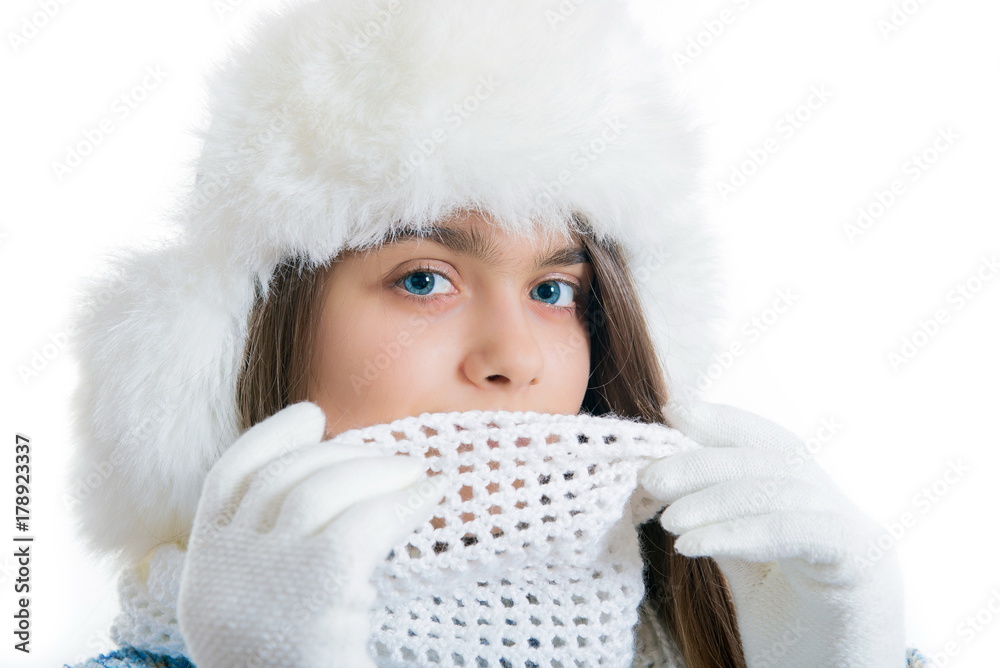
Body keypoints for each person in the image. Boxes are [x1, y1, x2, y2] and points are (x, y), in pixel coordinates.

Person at [63, 1, 929, 666]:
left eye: (554, 291)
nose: (514, 359)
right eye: (424, 280)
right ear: (251, 336)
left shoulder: (751, 634)